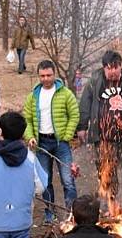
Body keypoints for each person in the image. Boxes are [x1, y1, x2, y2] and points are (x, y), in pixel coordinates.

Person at [76, 50, 122, 215]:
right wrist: (82, 127)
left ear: (120, 66)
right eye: (109, 68)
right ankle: (112, 203)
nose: (112, 72)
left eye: (115, 67)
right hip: (103, 137)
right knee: (107, 171)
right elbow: (84, 104)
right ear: (104, 68)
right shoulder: (95, 82)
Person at [23, 60, 80, 224]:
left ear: (54, 74)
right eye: (42, 76)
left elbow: (74, 115)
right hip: (41, 143)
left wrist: (67, 136)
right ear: (38, 76)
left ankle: (72, 213)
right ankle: (50, 213)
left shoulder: (66, 94)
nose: (46, 79)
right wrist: (30, 136)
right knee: (45, 181)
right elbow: (27, 119)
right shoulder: (33, 96)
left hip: (61, 143)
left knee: (68, 180)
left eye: (49, 75)